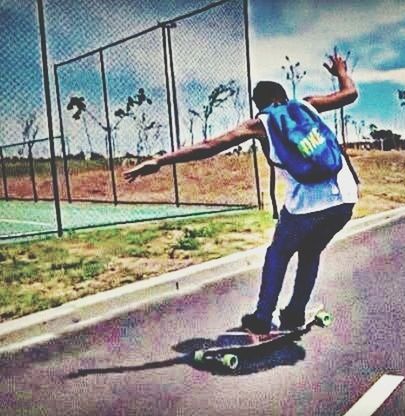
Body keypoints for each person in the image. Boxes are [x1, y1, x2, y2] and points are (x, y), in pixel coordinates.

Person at [124, 51, 359, 334]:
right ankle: (295, 312)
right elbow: (350, 94)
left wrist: (160, 161)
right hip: (345, 198)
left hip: (307, 205)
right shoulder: (307, 105)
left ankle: (262, 318)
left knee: (278, 253)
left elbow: (211, 145)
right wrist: (341, 72)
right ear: (283, 96)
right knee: (310, 251)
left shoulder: (260, 123)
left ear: (259, 105)